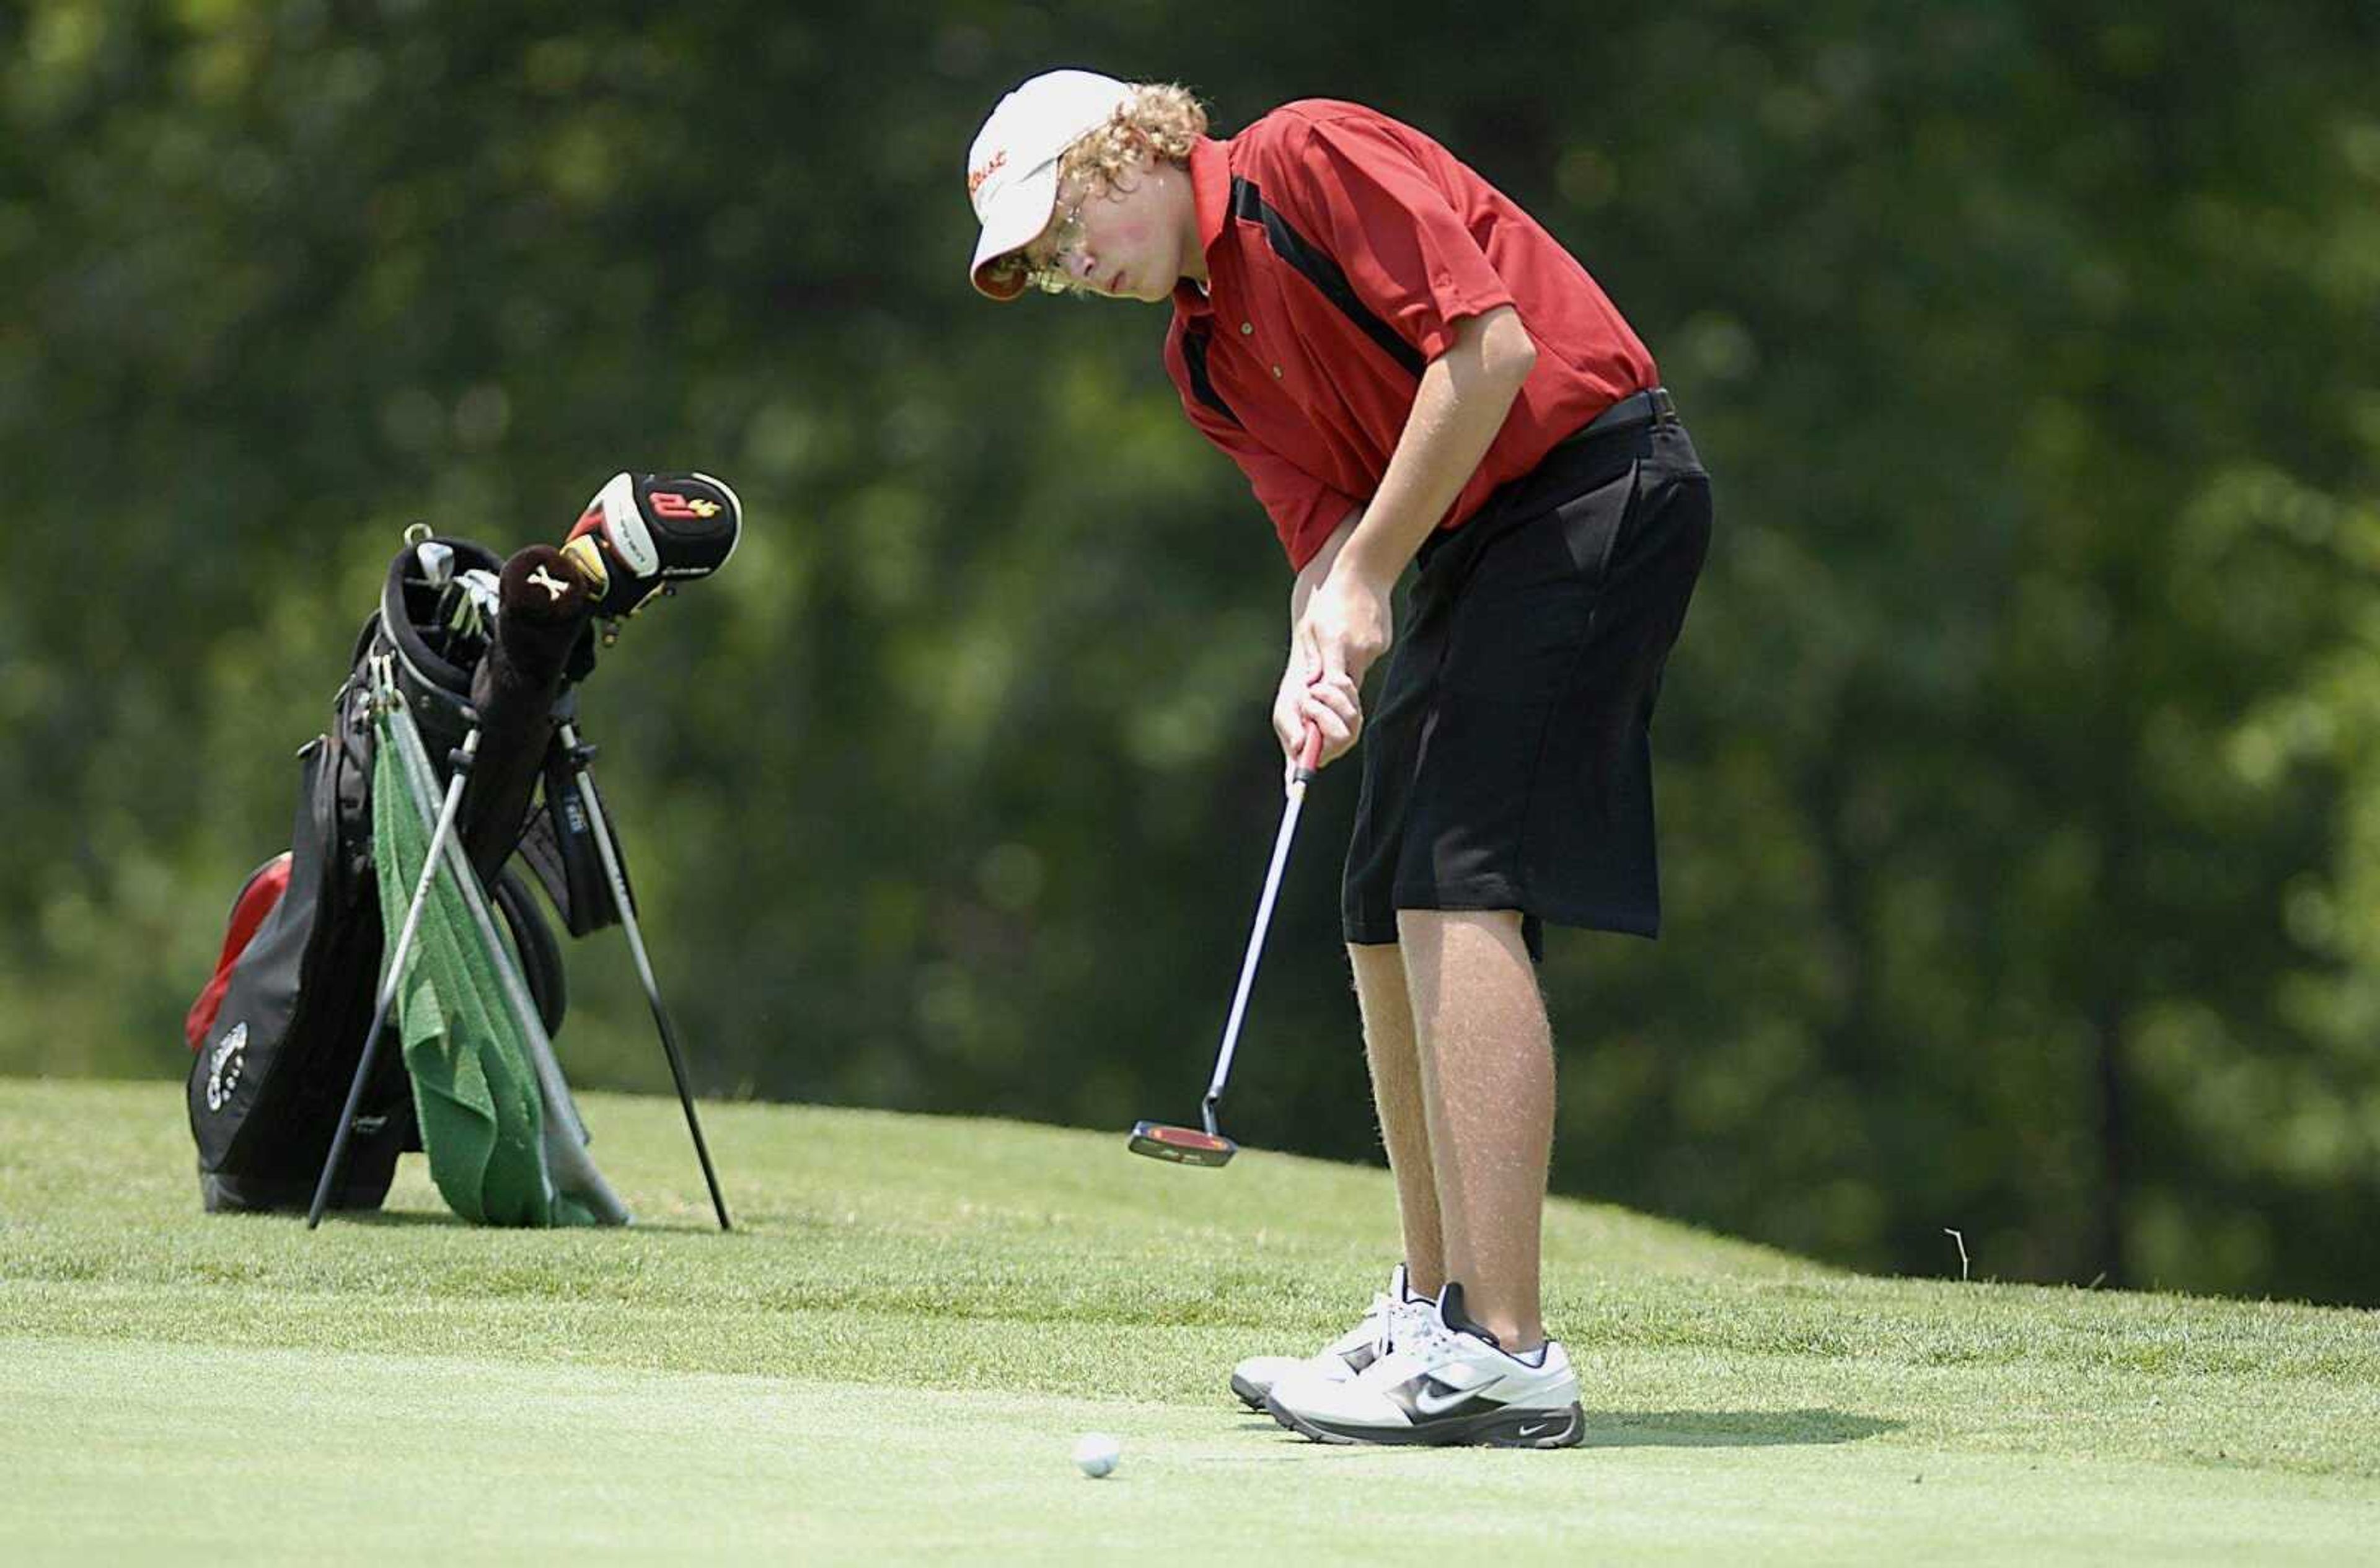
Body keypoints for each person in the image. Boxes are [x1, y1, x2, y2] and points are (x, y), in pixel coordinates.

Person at [964, 70, 1712, 1448]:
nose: (1076, 270)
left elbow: (1487, 355)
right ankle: (1434, 1307)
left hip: (1599, 481)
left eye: (1066, 229)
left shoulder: (1305, 162)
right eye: (1052, 267)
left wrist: (1370, 574)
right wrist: (1319, 652)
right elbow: (1323, 541)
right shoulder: (1201, 358)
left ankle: (1508, 1351)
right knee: (1378, 894)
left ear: (1126, 148)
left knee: (1455, 874)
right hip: (1482, 541)